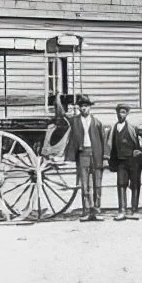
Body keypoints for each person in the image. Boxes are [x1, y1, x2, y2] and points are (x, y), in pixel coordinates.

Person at [43, 93, 107, 221]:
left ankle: (97, 211)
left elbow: (103, 141)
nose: (84, 109)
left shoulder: (97, 123)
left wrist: (105, 158)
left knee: (97, 184)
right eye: (82, 106)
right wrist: (58, 103)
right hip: (82, 155)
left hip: (96, 155)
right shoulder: (74, 121)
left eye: (86, 106)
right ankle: (86, 211)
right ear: (79, 108)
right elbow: (62, 119)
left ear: (90, 108)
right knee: (84, 185)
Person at [108, 103, 142, 218]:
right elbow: (111, 145)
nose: (120, 114)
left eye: (123, 112)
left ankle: (134, 210)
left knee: (135, 184)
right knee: (121, 184)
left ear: (127, 114)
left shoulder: (133, 128)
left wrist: (140, 151)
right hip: (120, 161)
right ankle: (122, 210)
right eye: (119, 112)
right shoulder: (114, 128)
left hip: (133, 161)